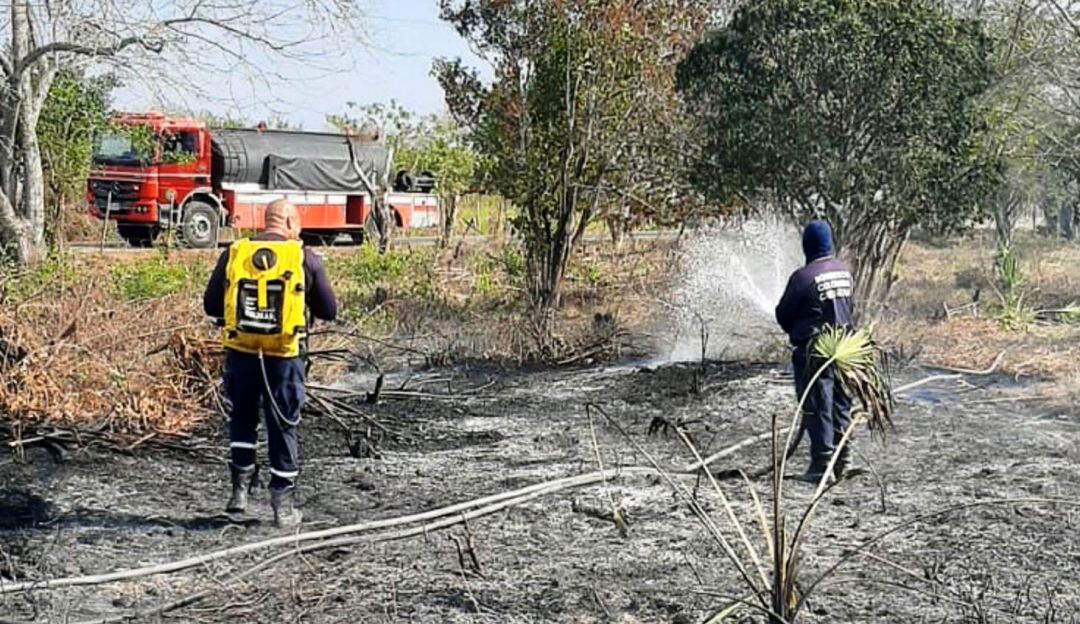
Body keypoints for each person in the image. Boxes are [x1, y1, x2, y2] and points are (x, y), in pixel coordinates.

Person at [203, 199, 337, 527]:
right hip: (285, 356)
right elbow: (329, 310)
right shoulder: (304, 257)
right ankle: (283, 505)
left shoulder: (235, 253)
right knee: (283, 425)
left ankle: (239, 493)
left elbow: (210, 305)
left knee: (242, 419)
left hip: (241, 351)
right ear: (290, 223)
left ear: (267, 222)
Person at [775, 220, 855, 483]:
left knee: (818, 405)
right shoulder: (844, 271)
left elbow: (783, 314)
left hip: (815, 352)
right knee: (841, 404)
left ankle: (821, 466)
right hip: (846, 349)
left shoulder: (804, 277)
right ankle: (843, 459)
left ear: (807, 244)